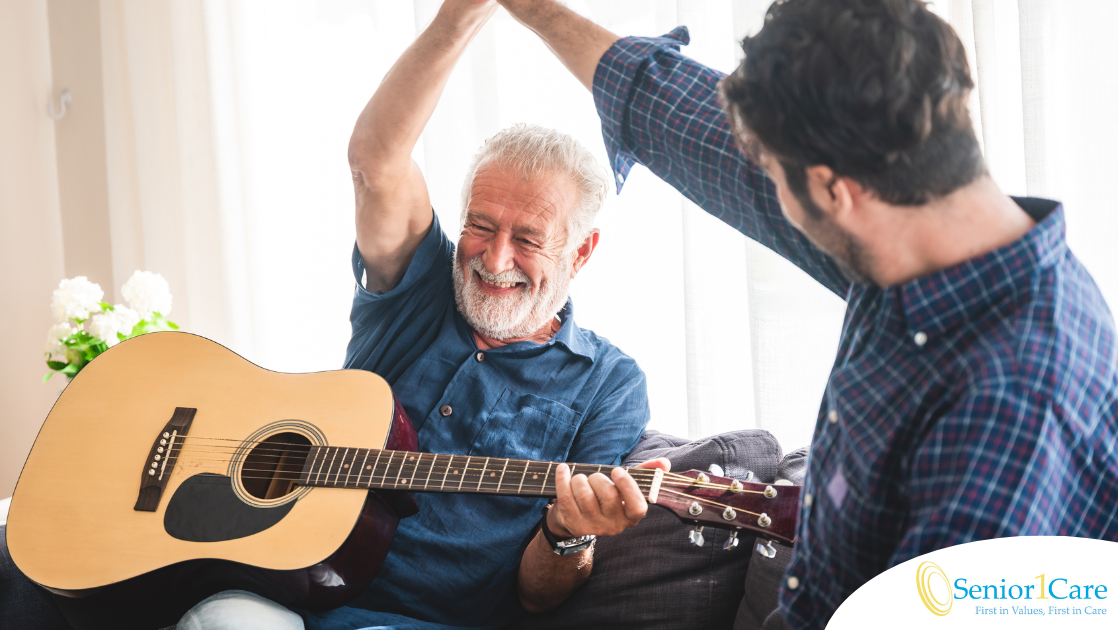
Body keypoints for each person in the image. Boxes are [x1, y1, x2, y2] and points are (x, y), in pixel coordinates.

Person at [497, 0, 1118, 627]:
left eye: (775, 175)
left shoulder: (1010, 406)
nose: (765, 189)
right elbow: (680, 116)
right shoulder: (914, 216)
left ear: (832, 191)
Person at [178, 2, 668, 629]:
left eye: (528, 239)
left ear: (581, 250)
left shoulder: (609, 382)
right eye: (480, 226)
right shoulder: (421, 285)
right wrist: (459, 17)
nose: (494, 259)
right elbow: (375, 163)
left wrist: (570, 533)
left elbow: (539, 597)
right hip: (274, 591)